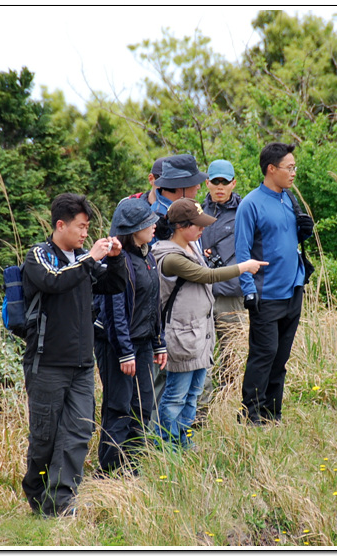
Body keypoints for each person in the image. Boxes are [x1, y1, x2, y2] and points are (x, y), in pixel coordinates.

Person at [21, 193, 127, 517]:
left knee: (79, 431)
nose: (85, 234)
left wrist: (118, 258)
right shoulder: (39, 256)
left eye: (87, 228)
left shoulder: (83, 260)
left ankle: (61, 502)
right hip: (47, 363)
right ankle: (37, 495)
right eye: (81, 227)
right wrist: (90, 260)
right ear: (60, 225)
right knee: (45, 437)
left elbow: (115, 284)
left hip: (82, 365)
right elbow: (53, 283)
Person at [152, 198, 268, 448]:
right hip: (182, 335)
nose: (202, 230)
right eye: (197, 225)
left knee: (193, 394)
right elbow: (207, 276)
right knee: (175, 396)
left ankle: (184, 441)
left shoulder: (192, 247)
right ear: (181, 226)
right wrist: (243, 267)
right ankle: (167, 446)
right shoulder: (169, 256)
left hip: (198, 334)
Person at [234, 142, 314, 426]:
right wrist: (248, 290)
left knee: (280, 358)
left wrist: (304, 233)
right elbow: (242, 252)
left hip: (293, 290)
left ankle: (272, 414)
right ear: (271, 169)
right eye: (289, 168)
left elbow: (286, 240)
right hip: (265, 295)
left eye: (294, 167)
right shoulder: (251, 204)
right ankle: (251, 415)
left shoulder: (290, 199)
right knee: (263, 355)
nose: (293, 173)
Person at [93, 198, 167, 475]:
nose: (154, 225)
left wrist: (159, 342)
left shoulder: (146, 255)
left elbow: (153, 303)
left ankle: (132, 467)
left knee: (143, 405)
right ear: (133, 229)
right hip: (117, 346)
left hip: (144, 343)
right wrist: (125, 351)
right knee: (119, 407)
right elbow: (114, 311)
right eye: (148, 222)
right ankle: (110, 472)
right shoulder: (119, 260)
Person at [146, 153, 209, 427]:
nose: (199, 188)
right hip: (161, 323)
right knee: (163, 389)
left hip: (187, 322)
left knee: (183, 391)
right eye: (194, 184)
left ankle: (177, 441)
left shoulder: (189, 217)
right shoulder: (149, 218)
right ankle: (157, 445)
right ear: (181, 187)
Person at [197, 159, 245, 415]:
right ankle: (201, 411)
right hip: (200, 293)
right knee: (201, 353)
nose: (220, 186)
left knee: (231, 355)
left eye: (225, 182)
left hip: (231, 295)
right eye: (215, 181)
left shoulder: (246, 211)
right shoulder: (195, 210)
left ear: (233, 183)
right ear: (207, 183)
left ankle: (227, 408)